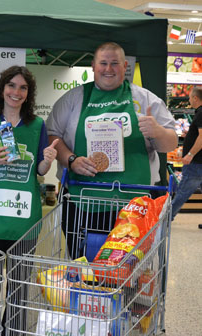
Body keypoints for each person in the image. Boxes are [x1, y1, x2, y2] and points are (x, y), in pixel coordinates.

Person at [46, 42, 177, 259]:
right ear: (93, 66)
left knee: (127, 269)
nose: (109, 69)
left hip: (133, 205)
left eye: (115, 63)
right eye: (103, 63)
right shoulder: (74, 98)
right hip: (84, 202)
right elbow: (52, 136)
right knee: (85, 267)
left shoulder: (145, 99)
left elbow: (170, 143)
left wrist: (157, 131)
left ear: (125, 66)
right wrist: (71, 160)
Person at [0, 65, 57, 333]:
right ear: (2, 89)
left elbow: (39, 172)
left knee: (19, 290)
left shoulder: (38, 125)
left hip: (23, 220)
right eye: (11, 86)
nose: (16, 92)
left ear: (28, 93)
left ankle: (14, 331)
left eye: (22, 87)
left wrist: (47, 161)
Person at [171, 86, 202, 226]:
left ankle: (166, 219)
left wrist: (190, 154)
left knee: (183, 192)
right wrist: (189, 135)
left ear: (195, 98)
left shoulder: (201, 113)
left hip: (196, 162)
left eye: (190, 97)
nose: (189, 100)